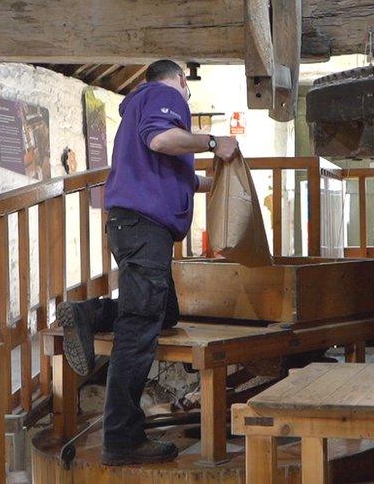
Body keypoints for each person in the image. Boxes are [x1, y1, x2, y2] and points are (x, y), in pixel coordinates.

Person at [56, 59, 239, 466]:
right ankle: (122, 440)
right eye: (186, 88)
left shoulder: (135, 109)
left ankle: (88, 314)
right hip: (143, 230)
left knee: (164, 312)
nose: (185, 96)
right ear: (177, 79)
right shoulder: (163, 94)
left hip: (132, 228)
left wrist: (205, 184)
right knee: (139, 330)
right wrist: (212, 142)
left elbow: (158, 163)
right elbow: (160, 142)